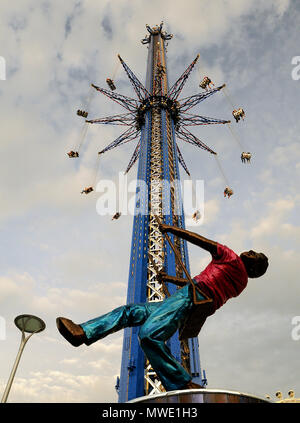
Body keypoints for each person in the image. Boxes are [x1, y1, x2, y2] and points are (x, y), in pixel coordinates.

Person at [56, 224, 268, 392]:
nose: (250, 251)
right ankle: (83, 332)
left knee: (149, 335)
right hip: (194, 301)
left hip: (189, 299)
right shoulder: (241, 284)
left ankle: (182, 383)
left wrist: (171, 229)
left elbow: (201, 241)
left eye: (254, 254)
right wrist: (170, 279)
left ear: (253, 267)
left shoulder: (230, 257)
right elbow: (202, 285)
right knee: (130, 311)